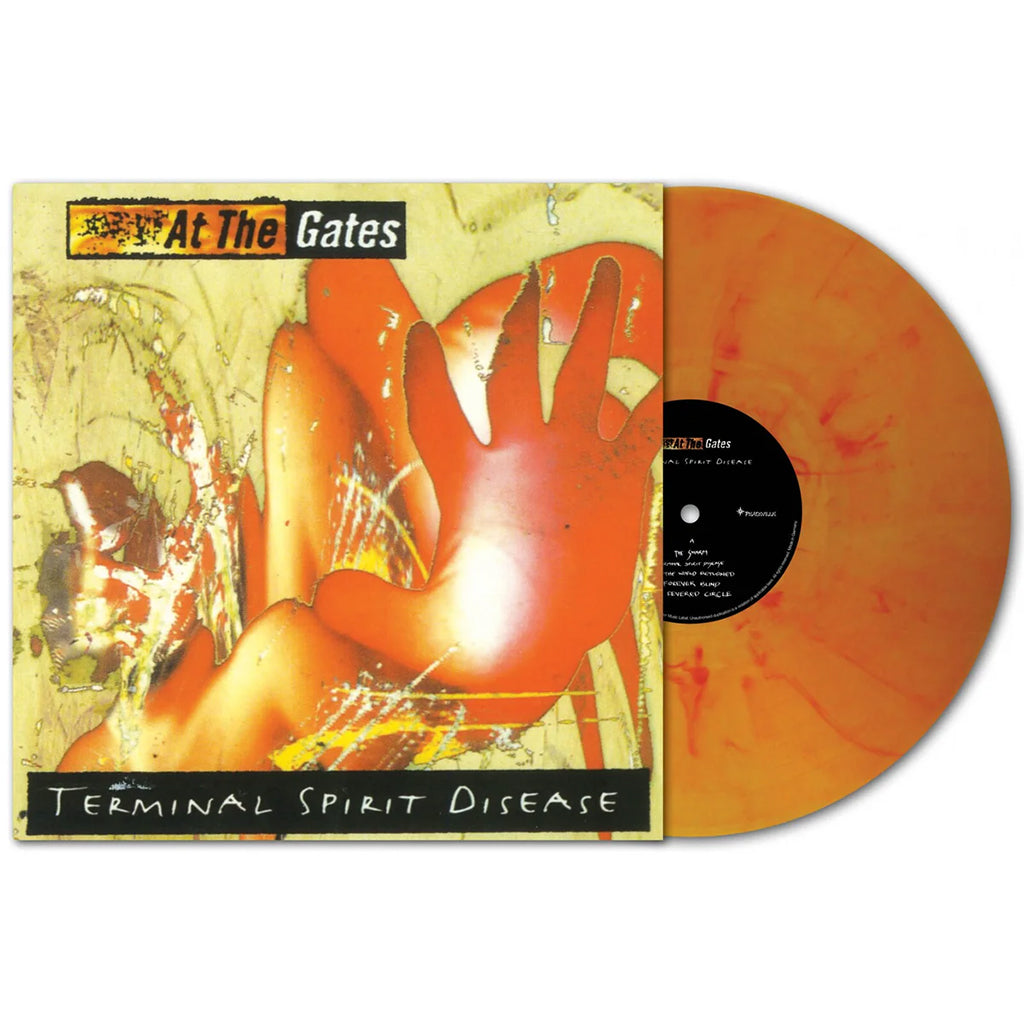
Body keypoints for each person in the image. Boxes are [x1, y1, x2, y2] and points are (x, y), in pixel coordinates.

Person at [57, 245, 662, 773]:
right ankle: (493, 615)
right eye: (113, 556)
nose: (154, 553)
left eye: (130, 540)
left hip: (418, 639)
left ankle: (491, 600)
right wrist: (480, 640)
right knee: (289, 640)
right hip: (421, 679)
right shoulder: (134, 746)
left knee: (324, 312)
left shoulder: (244, 612)